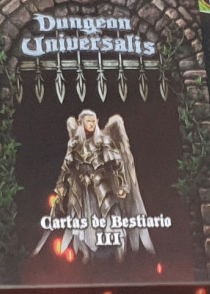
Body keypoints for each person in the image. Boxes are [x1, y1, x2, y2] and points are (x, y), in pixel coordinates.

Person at [37, 109, 154, 260]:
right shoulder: (75, 143)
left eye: (93, 121)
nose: (91, 124)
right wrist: (61, 184)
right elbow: (67, 166)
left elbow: (117, 164)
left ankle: (119, 255)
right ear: (81, 123)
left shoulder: (104, 141)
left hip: (104, 189)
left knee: (112, 221)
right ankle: (88, 255)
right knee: (87, 227)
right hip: (84, 192)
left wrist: (122, 185)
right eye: (88, 121)